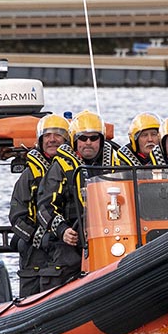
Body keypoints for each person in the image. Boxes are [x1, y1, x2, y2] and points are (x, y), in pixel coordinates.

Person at [34, 109, 131, 290]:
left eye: (94, 138)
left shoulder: (117, 163)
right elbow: (45, 207)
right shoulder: (62, 166)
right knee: (63, 267)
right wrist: (63, 230)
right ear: (74, 140)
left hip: (113, 232)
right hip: (74, 236)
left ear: (101, 141)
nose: (88, 143)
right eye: (83, 138)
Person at [8, 114, 70, 297]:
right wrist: (39, 238)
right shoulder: (29, 176)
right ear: (40, 141)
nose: (52, 140)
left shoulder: (74, 169)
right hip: (36, 253)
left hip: (68, 245)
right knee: (32, 295)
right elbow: (16, 217)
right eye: (47, 136)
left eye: (58, 135)